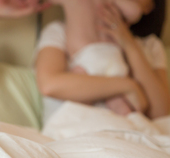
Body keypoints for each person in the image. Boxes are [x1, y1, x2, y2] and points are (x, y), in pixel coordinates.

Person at [35, 0, 170, 123]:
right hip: (77, 126)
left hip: (130, 129)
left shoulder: (150, 46)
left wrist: (128, 43)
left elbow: (162, 114)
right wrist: (128, 86)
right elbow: (50, 84)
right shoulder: (59, 31)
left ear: (149, 6)